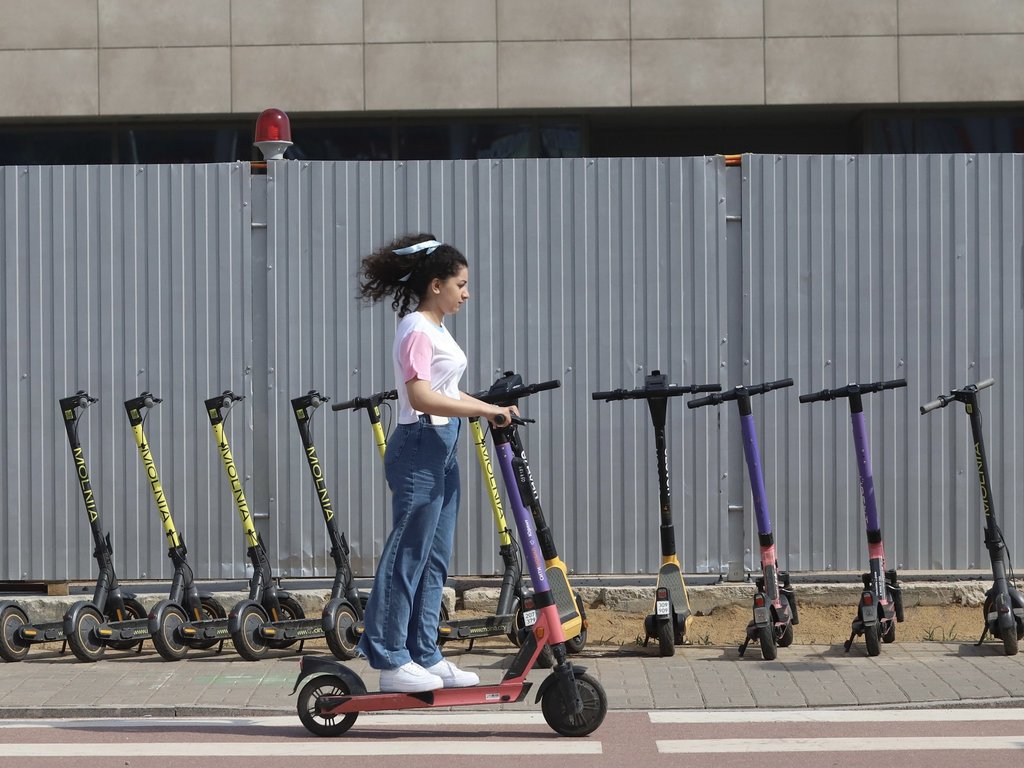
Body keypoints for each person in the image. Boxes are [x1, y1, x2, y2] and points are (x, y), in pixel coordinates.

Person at [356, 233, 515, 693]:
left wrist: (491, 407)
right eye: (460, 284)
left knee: (434, 558)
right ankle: (390, 660)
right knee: (408, 552)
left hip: (441, 445)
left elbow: (446, 393)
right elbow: (421, 395)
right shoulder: (415, 330)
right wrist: (485, 411)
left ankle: (424, 652)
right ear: (436, 284)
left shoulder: (438, 329)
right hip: (419, 445)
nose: (466, 293)